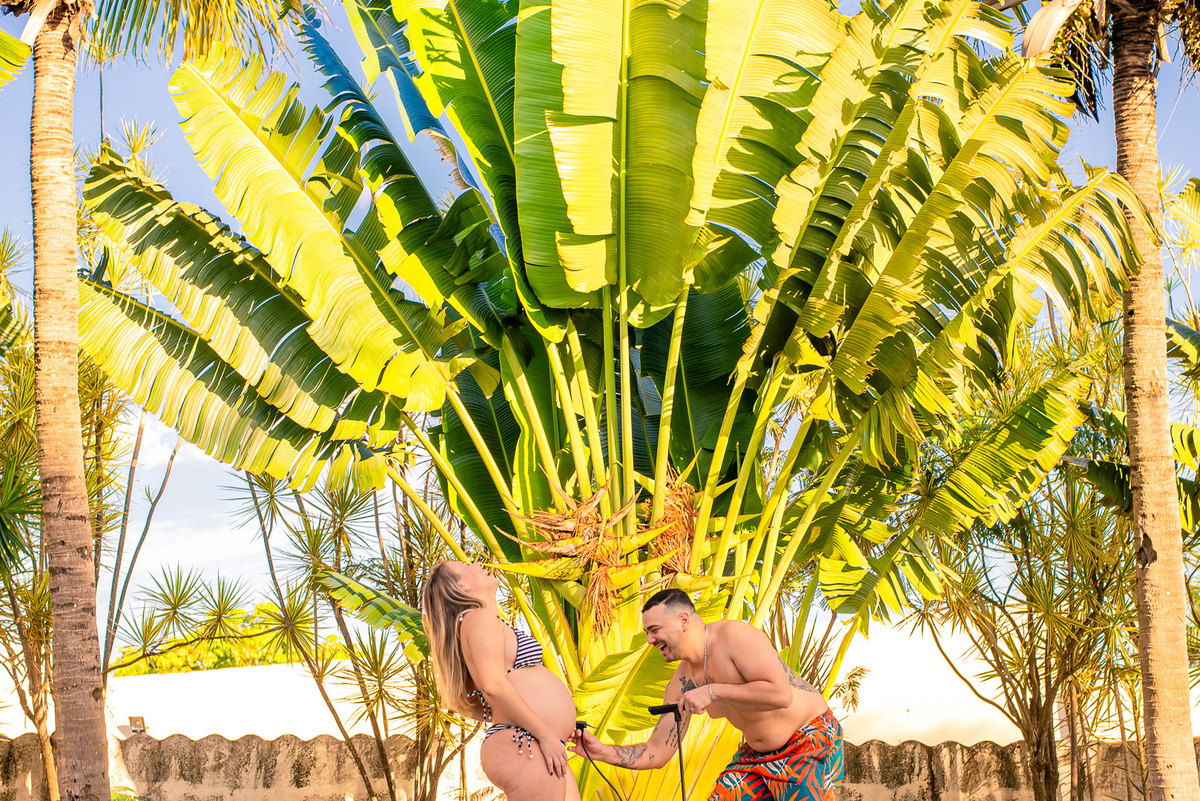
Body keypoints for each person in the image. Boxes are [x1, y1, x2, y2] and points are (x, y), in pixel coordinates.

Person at [568, 589, 843, 801]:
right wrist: (602, 752)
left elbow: (781, 695)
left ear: (683, 620)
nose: (650, 640)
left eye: (654, 630)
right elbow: (657, 751)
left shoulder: (733, 636)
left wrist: (712, 692)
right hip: (755, 757)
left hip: (809, 740)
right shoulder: (681, 683)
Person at [423, 561, 580, 801]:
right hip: (527, 742)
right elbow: (493, 686)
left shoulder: (481, 622)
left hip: (535, 742)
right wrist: (545, 732)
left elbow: (475, 698)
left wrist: (548, 724)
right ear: (462, 585)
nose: (477, 563)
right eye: (466, 564)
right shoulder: (478, 617)